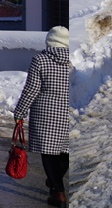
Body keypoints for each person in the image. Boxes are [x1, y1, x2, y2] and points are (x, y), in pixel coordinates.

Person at [14, 25, 73, 206]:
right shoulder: (72, 61)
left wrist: (20, 112)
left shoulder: (40, 60)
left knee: (49, 153)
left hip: (45, 114)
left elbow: (31, 90)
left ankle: (59, 193)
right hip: (67, 113)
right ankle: (55, 182)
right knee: (65, 152)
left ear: (49, 41)